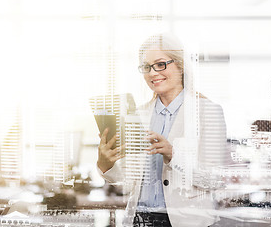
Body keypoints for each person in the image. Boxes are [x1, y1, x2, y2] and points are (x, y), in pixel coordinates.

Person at [97, 33, 228, 227]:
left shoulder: (207, 111)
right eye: (146, 67)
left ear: (181, 65)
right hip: (139, 219)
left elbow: (214, 179)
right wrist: (105, 165)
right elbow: (128, 182)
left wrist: (173, 155)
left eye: (160, 64)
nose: (152, 73)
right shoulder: (138, 115)